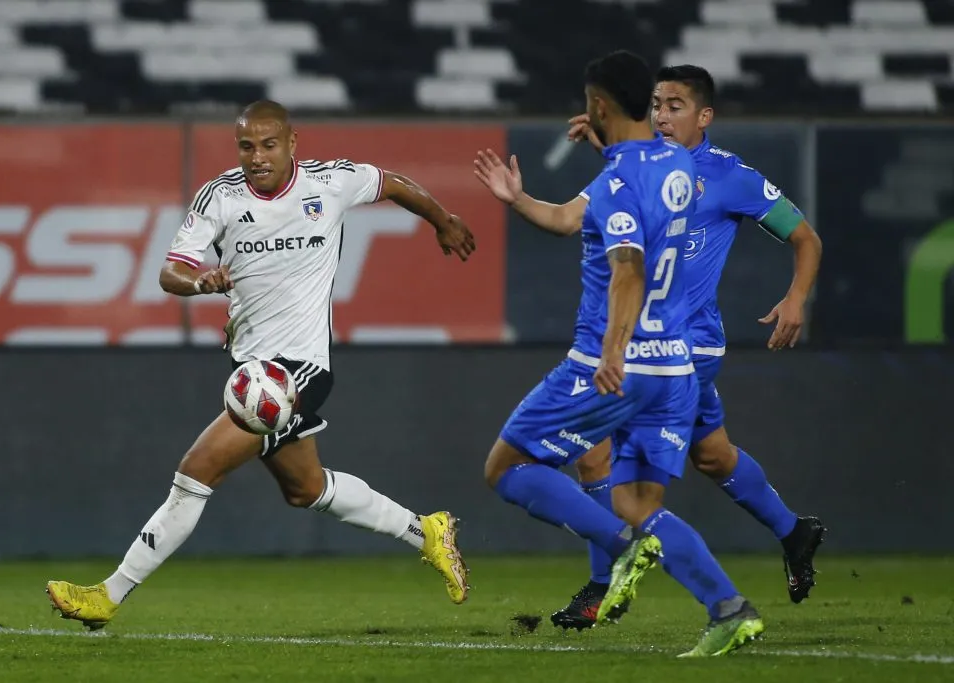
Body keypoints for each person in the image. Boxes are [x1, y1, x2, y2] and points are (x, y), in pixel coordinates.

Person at [46, 100, 476, 630]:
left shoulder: (330, 183)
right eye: (247, 146)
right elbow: (169, 273)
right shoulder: (220, 197)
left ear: (293, 142)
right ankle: (427, 531)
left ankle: (106, 596)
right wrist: (200, 281)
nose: (257, 156)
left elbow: (392, 183)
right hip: (250, 369)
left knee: (196, 470)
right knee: (307, 489)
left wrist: (443, 220)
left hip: (298, 370)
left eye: (269, 145)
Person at [475, 51, 763, 657]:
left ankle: (621, 547)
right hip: (676, 369)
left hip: (613, 364)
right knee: (635, 503)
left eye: (589, 105)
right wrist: (519, 199)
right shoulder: (681, 165)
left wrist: (612, 350)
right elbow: (575, 216)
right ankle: (729, 608)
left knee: (507, 468)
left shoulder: (617, 182)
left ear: (599, 106)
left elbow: (627, 267)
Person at [548, 65, 824, 630]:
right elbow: (570, 218)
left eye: (675, 105)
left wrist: (796, 299)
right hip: (645, 341)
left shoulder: (730, 177)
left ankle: (605, 585)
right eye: (655, 103)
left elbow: (805, 237)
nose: (663, 115)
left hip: (687, 346)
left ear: (704, 117)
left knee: (593, 451)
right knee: (712, 455)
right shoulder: (634, 165)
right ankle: (795, 531)